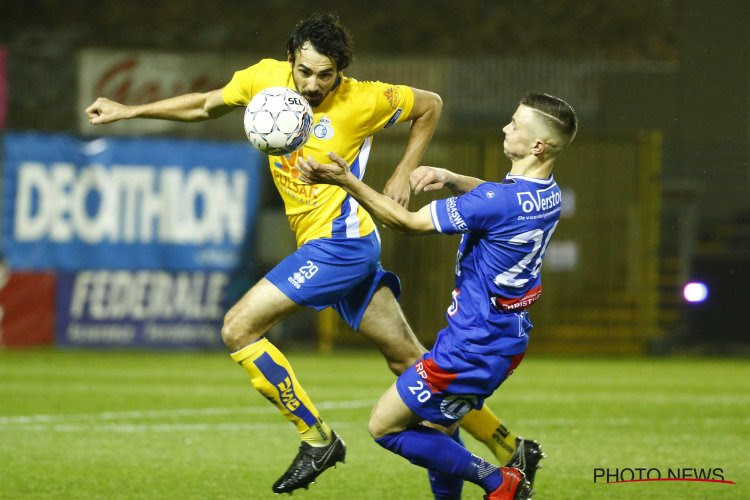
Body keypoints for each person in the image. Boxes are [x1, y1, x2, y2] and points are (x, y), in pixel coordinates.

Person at [85, 12, 541, 495]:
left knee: (239, 327)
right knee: (409, 361)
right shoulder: (264, 80)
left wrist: (403, 172)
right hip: (335, 247)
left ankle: (316, 438)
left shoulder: (362, 98)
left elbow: (429, 105)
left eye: (326, 74)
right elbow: (203, 104)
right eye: (305, 71)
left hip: (341, 248)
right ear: (290, 59)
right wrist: (128, 112)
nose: (313, 84)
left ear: (340, 71)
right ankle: (510, 448)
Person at [297, 92, 578, 499]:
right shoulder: (546, 195)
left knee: (385, 427)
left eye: (515, 124)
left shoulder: (496, 202)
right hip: (505, 339)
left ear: (537, 145)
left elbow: (407, 222)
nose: (506, 127)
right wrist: (451, 177)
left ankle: (500, 481)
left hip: (470, 347)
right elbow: (498, 199)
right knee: (438, 429)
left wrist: (347, 181)